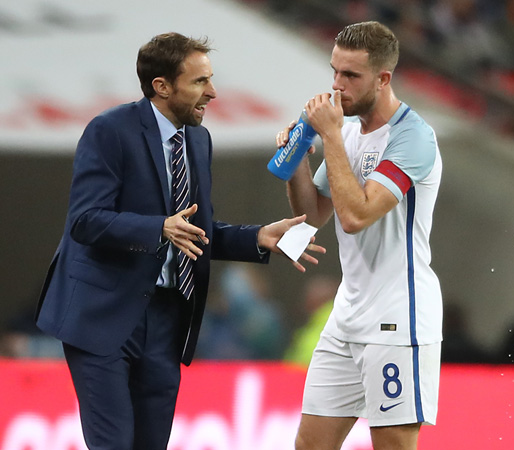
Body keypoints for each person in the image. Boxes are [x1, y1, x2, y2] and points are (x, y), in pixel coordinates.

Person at [34, 32, 325, 450]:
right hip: (104, 315)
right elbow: (85, 220)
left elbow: (193, 229)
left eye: (210, 79)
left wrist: (257, 238)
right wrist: (157, 228)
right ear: (162, 86)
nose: (213, 91)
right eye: (200, 82)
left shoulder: (197, 139)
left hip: (168, 319)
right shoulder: (109, 130)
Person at [278, 21, 443, 450]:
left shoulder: (413, 138)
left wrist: (329, 134)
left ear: (383, 79)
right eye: (334, 72)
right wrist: (296, 160)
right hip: (346, 317)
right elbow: (312, 216)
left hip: (398, 319)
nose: (337, 86)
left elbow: (355, 216)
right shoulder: (348, 131)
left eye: (350, 76)